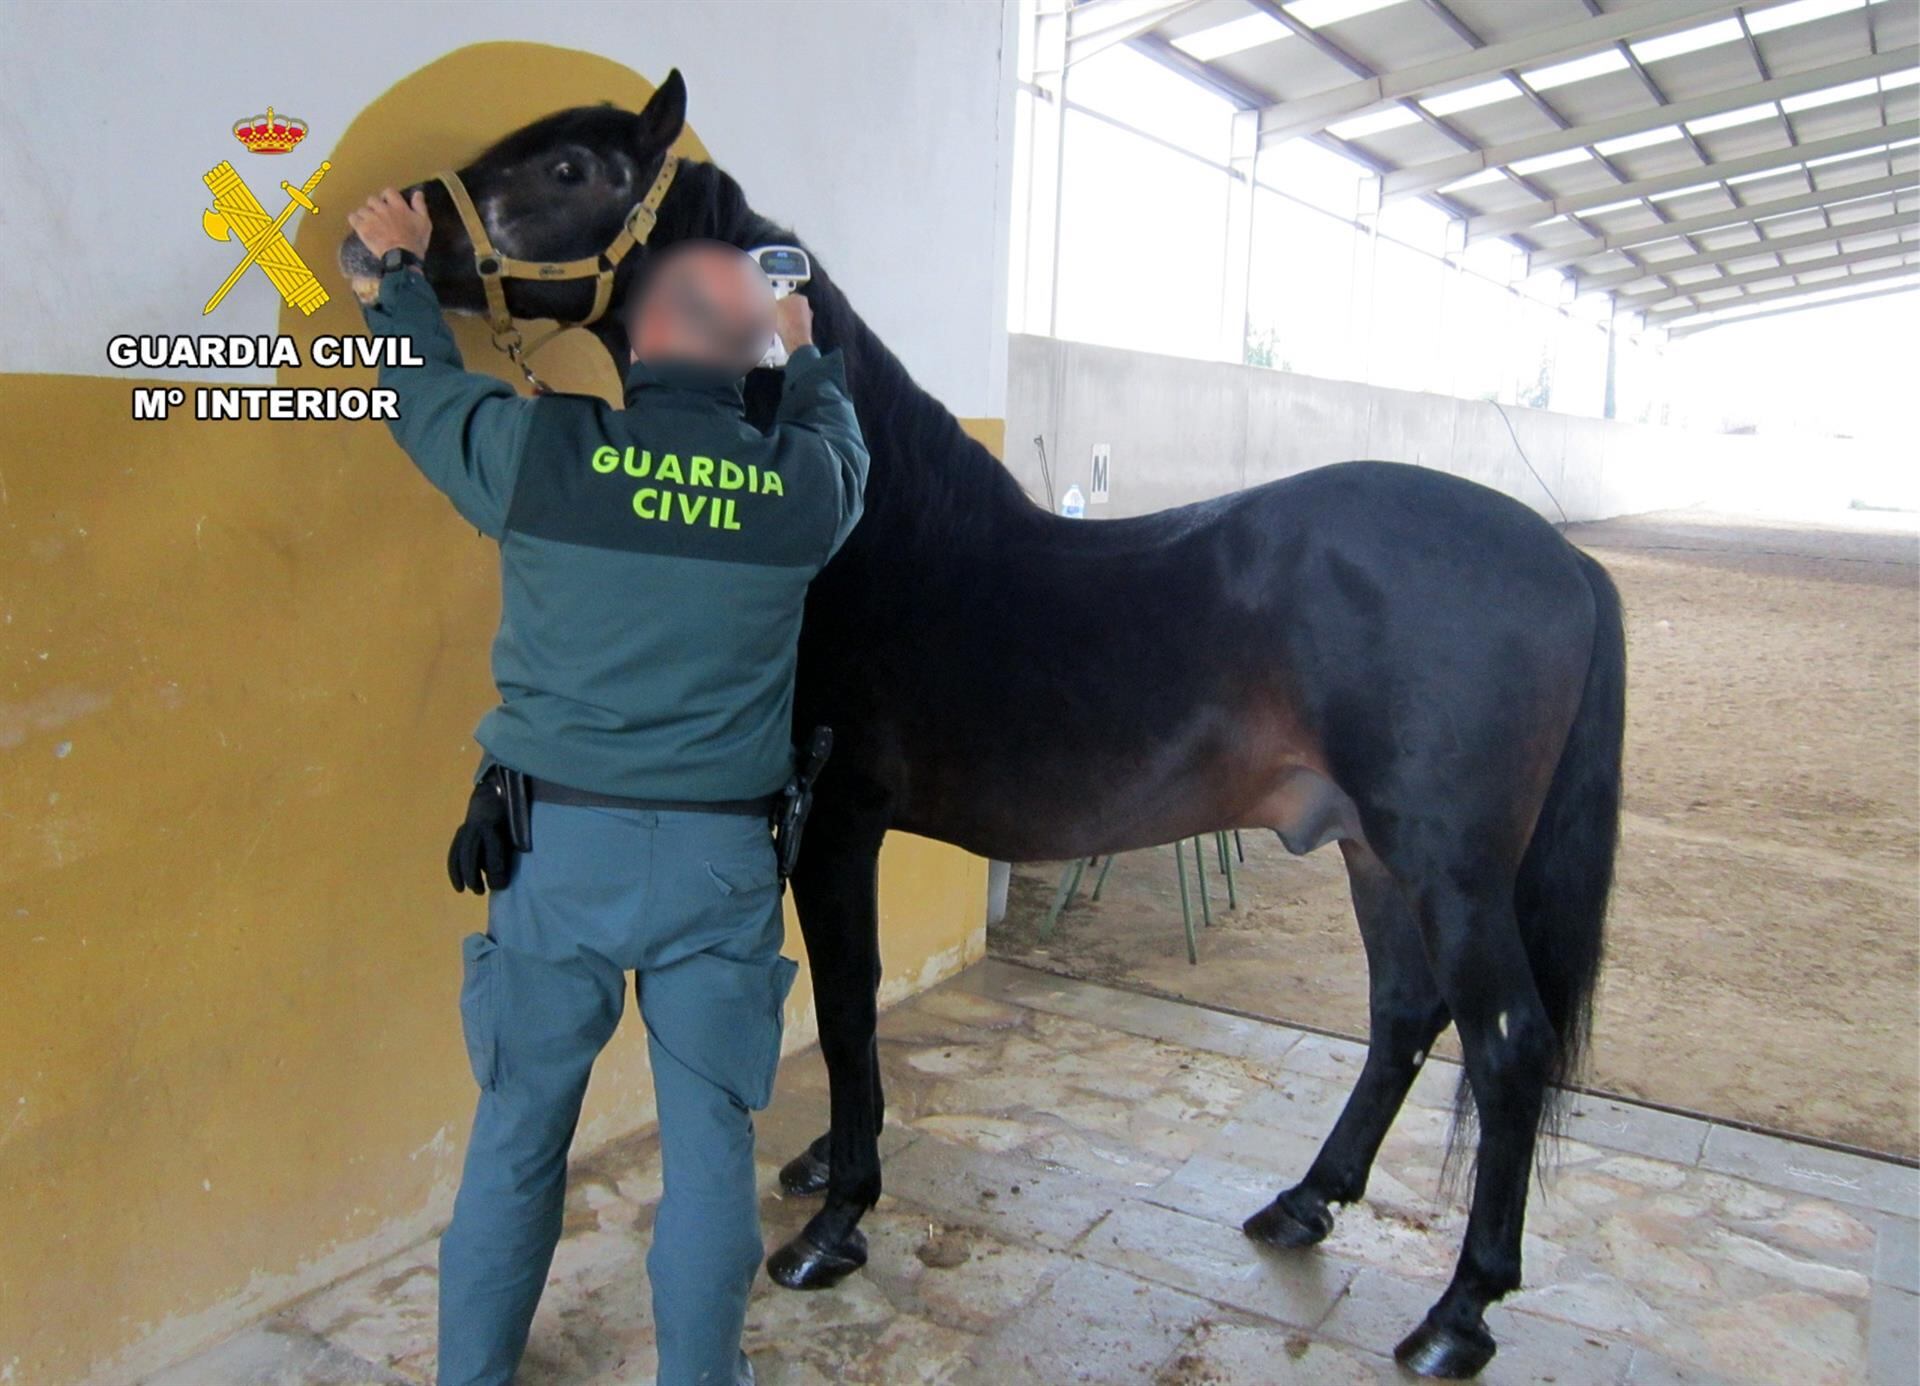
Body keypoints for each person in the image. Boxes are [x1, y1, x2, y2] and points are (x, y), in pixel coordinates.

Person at [346, 188, 870, 1386]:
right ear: (743, 360)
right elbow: (842, 447)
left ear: (635, 340)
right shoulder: (796, 489)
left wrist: (399, 276)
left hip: (552, 860)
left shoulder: (540, 455)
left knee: (519, 1139)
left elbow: (422, 398)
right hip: (718, 869)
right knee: (708, 1157)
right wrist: (800, 346)